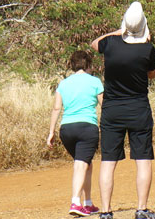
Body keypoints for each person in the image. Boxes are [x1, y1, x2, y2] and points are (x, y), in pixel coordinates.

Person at [90, 2, 155, 219]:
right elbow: (151, 74)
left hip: (112, 110)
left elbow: (94, 43)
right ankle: (141, 209)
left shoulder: (111, 44)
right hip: (138, 109)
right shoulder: (147, 49)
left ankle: (106, 212)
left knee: (108, 162)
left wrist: (119, 32)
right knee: (143, 160)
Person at [47, 50, 105, 216]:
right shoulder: (95, 82)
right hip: (87, 127)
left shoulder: (63, 84)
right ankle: (75, 202)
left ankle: (88, 202)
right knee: (81, 164)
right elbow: (105, 106)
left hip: (66, 129)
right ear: (88, 64)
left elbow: (56, 108)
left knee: (86, 163)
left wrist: (51, 131)